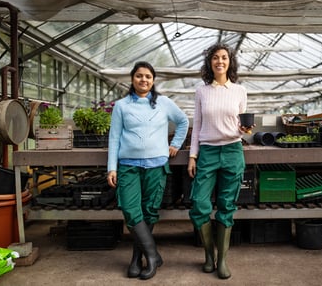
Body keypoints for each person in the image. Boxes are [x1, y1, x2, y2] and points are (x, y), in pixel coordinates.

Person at [107, 61, 189, 280]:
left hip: (156, 165)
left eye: (148, 77)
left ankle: (136, 259)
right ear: (132, 79)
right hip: (128, 167)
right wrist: (111, 168)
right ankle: (153, 257)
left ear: (153, 81)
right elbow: (114, 137)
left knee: (149, 211)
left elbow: (183, 121)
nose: (143, 80)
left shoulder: (163, 103)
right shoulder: (121, 106)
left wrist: (176, 144)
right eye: (139, 76)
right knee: (130, 210)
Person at [187, 43, 252, 279]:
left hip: (233, 150)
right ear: (210, 63)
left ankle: (222, 260)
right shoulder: (201, 91)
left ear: (230, 62)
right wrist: (193, 156)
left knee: (226, 205)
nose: (220, 61)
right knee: (199, 204)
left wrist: (246, 130)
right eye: (215, 58)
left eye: (224, 57)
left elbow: (243, 127)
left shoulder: (239, 91)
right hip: (208, 152)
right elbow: (197, 128)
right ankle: (208, 255)